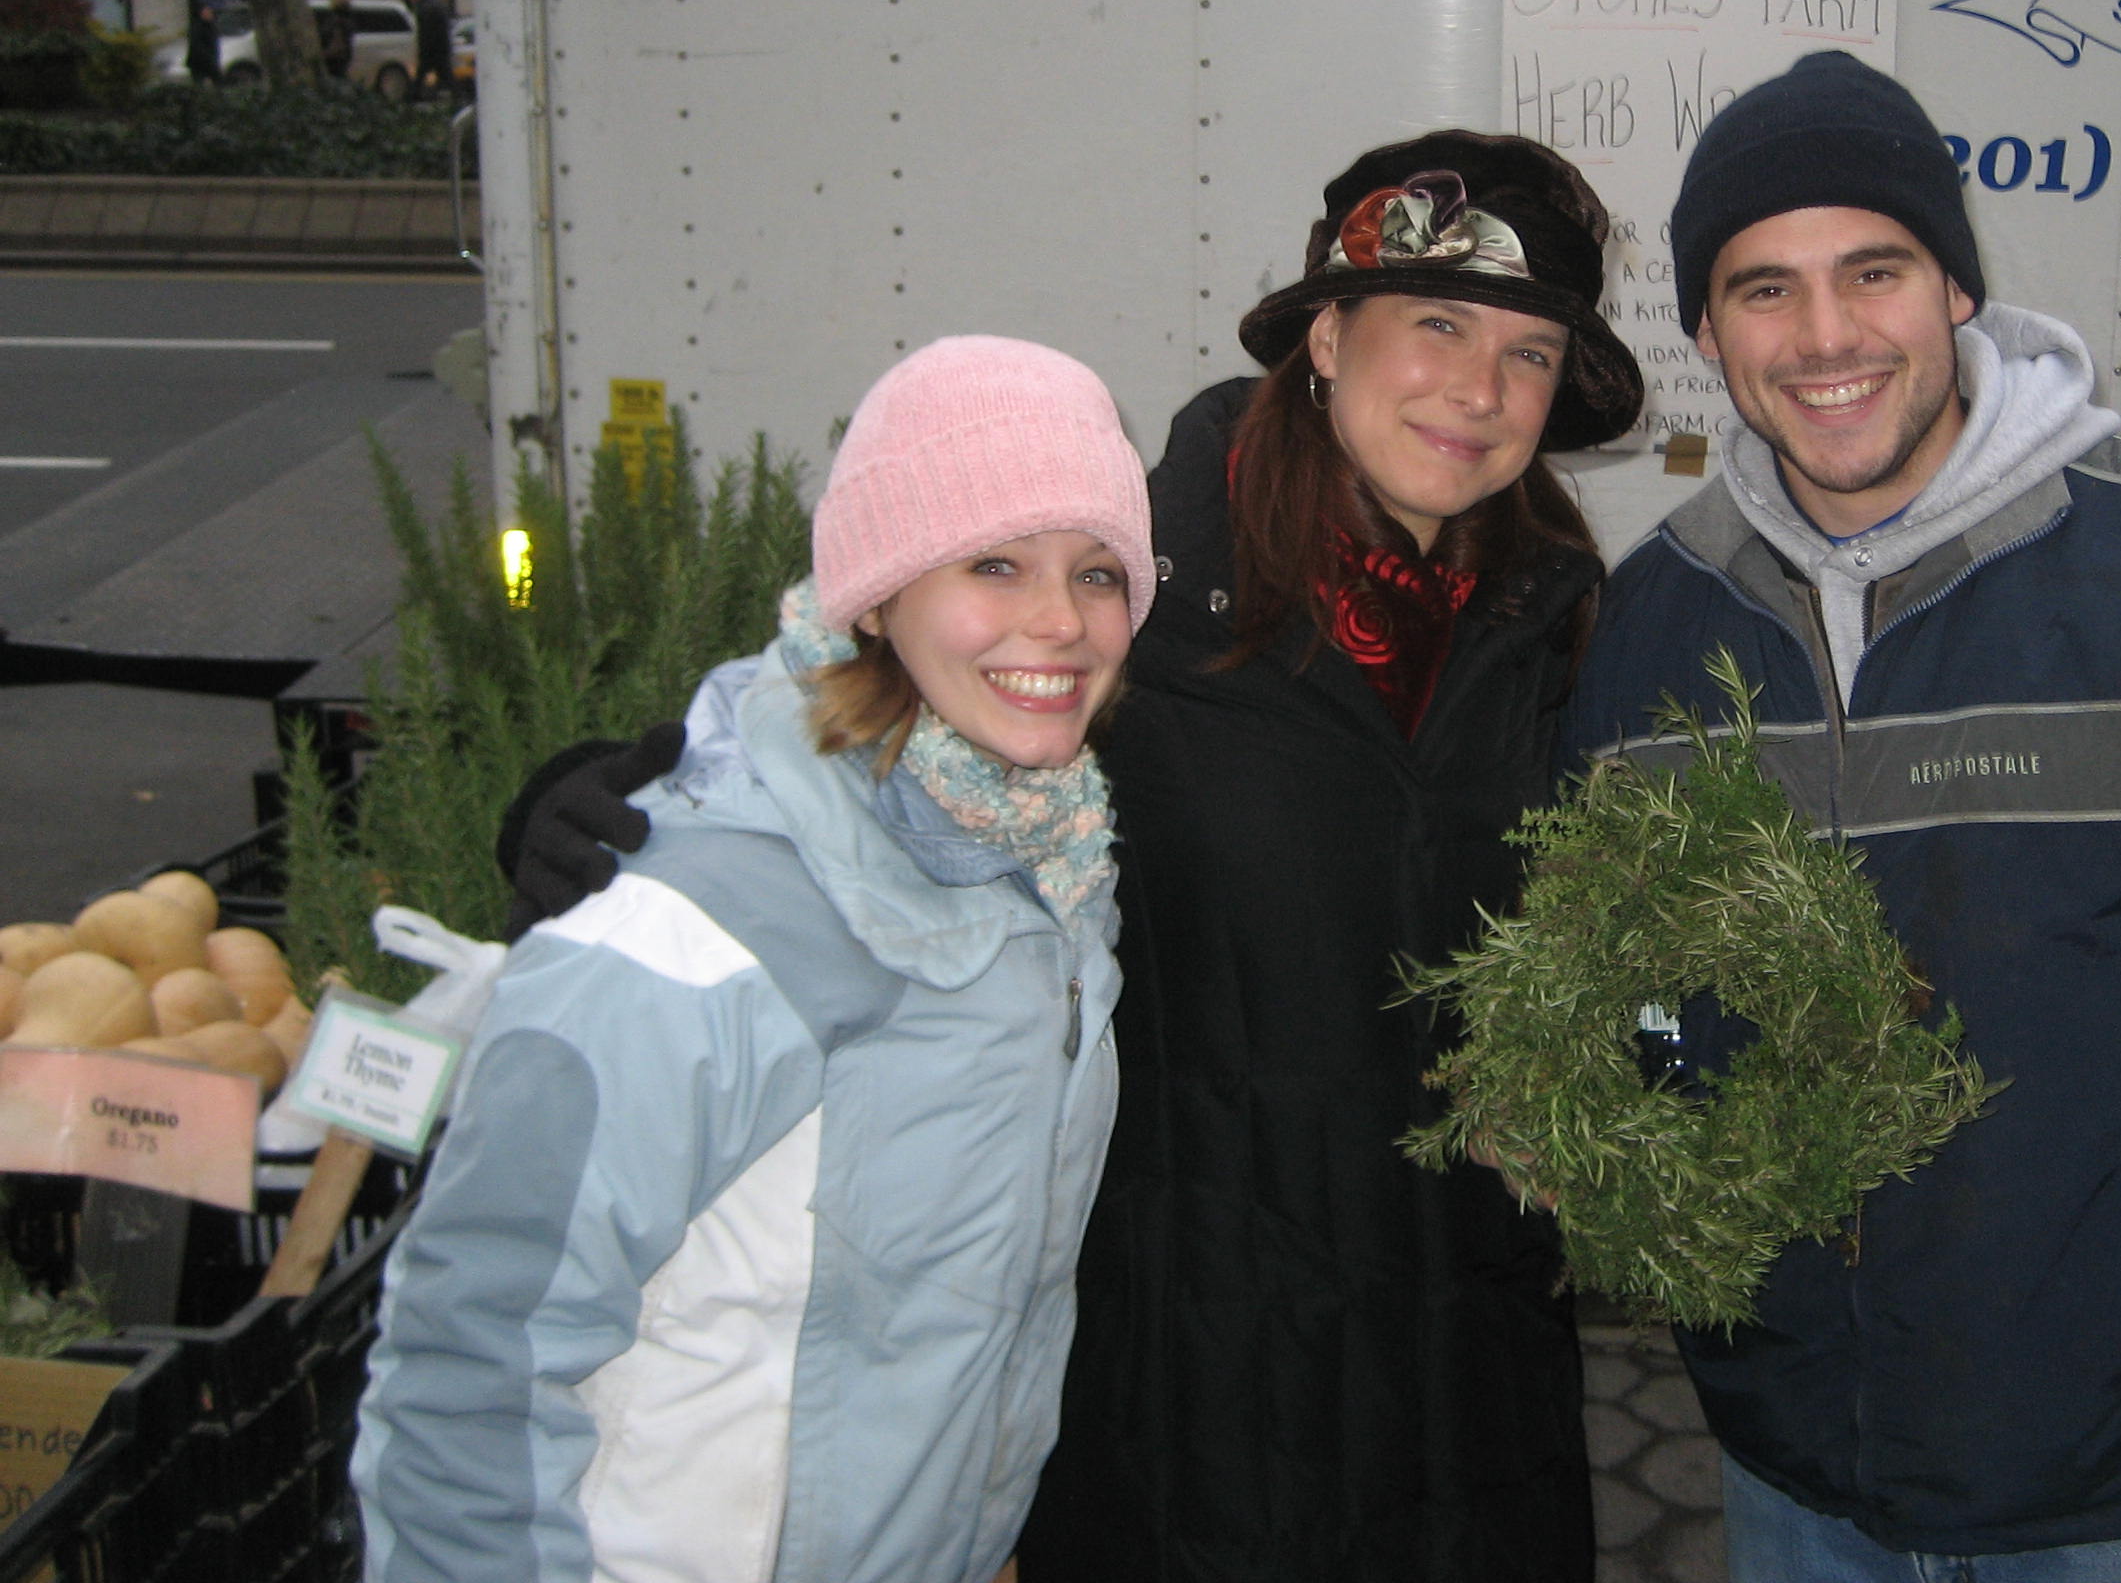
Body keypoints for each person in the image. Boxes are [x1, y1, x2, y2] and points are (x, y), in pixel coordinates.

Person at [507, 135, 1645, 1582]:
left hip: (1477, 1390)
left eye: (1529, 353)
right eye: (1437, 324)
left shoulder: (1565, 623)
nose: (1480, 392)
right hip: (1197, 1392)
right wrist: (601, 795)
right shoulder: (1143, 586)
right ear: (1326, 334)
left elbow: (1641, 955)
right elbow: (866, 722)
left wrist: (1636, 1071)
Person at [1560, 50, 2121, 1583]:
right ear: (1708, 330)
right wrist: (1646, 1117)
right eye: (1765, 288)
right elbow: (1646, 973)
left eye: (1877, 270)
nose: (1828, 333)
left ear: (1957, 291)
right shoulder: (1660, 622)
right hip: (1803, 1473)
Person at [355, 335, 1155, 1583]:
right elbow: (472, 1363)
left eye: (1098, 573)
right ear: (876, 595)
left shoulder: (1044, 878)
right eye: (993, 562)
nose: (1059, 621)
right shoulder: (695, 924)